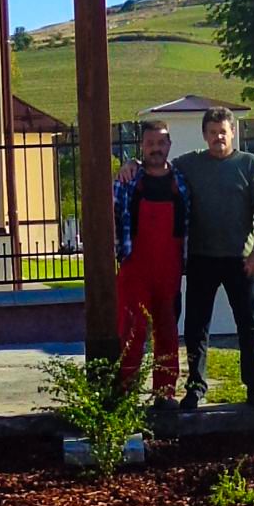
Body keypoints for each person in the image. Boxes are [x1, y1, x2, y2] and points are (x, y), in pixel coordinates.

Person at [121, 105, 254, 410]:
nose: (218, 137)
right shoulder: (189, 165)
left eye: (223, 132)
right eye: (212, 132)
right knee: (196, 327)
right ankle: (195, 388)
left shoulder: (249, 165)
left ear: (233, 132)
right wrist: (132, 162)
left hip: (240, 259)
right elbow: (158, 164)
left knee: (249, 325)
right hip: (201, 258)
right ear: (204, 135)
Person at [113, 119, 191, 408]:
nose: (155, 149)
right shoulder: (127, 181)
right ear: (141, 146)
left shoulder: (182, 182)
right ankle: (125, 394)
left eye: (160, 143)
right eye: (150, 143)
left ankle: (164, 394)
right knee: (132, 332)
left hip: (169, 270)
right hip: (135, 269)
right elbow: (110, 219)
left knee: (168, 332)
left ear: (169, 145)